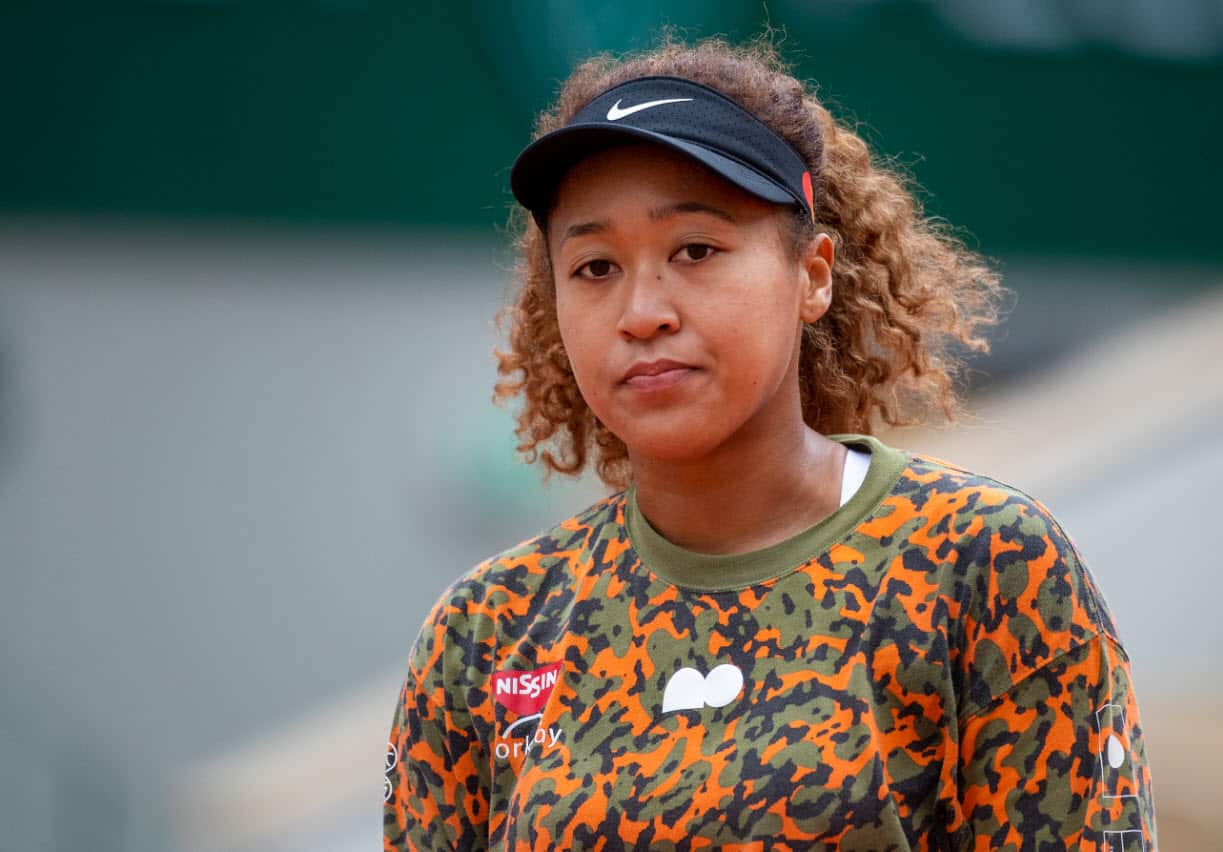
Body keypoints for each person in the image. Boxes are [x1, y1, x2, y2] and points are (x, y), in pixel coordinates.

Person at [383, 35, 1156, 851]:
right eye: (595, 267)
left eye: (696, 251)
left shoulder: (982, 564)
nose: (642, 311)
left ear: (813, 274)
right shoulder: (488, 629)